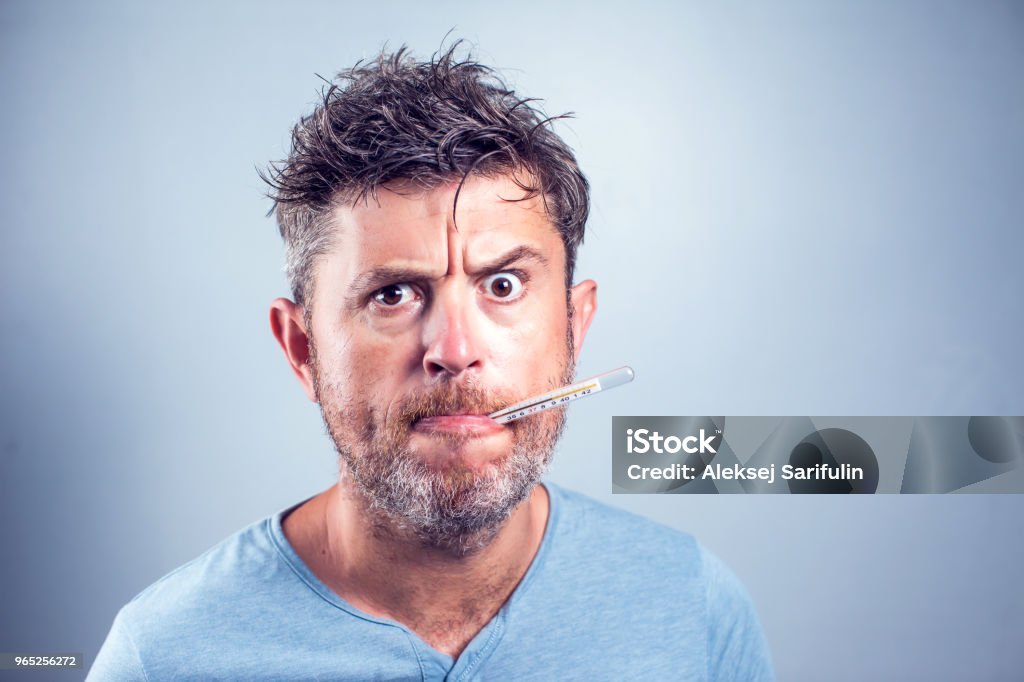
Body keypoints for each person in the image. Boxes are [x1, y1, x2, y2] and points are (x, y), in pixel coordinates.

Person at [89, 44, 774, 681]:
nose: (454, 351)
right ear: (303, 350)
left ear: (574, 327)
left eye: (502, 286)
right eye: (393, 295)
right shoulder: (165, 655)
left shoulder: (692, 606)